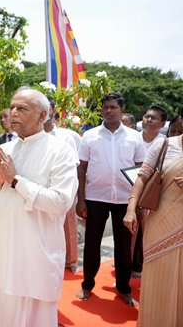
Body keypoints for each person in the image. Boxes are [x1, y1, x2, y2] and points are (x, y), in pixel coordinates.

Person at [0, 88, 78, 326]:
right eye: (12, 107)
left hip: (36, 254)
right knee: (3, 316)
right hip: (4, 252)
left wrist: (16, 180)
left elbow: (61, 203)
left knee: (36, 319)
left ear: (42, 116)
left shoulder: (60, 151)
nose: (13, 113)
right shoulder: (5, 151)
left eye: (22, 108)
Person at [76, 93, 146, 307]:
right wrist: (81, 200)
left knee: (124, 246)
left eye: (113, 107)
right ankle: (87, 285)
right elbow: (82, 168)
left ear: (122, 110)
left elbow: (141, 171)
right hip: (96, 197)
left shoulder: (135, 137)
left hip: (126, 200)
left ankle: (124, 288)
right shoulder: (90, 136)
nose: (108, 111)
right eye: (105, 107)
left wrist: (139, 204)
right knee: (91, 245)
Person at [123, 133, 183, 326]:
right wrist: (131, 210)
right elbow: (142, 178)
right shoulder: (164, 145)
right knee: (158, 278)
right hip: (161, 223)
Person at [44, 95, 81, 273]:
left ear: (52, 110)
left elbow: (74, 165)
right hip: (39, 185)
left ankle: (71, 260)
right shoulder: (30, 134)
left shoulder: (67, 136)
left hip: (63, 184)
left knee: (68, 223)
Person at [131, 105, 168, 278]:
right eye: (147, 116)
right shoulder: (132, 138)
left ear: (162, 123)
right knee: (129, 233)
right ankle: (127, 266)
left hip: (153, 196)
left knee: (147, 233)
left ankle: (141, 266)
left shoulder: (165, 143)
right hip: (129, 191)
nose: (149, 120)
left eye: (154, 118)